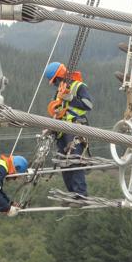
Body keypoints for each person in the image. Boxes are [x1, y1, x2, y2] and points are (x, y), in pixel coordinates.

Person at [44, 62, 93, 200]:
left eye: (56, 81)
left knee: (74, 160)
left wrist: (71, 98)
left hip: (75, 129)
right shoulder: (59, 92)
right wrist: (51, 127)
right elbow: (57, 111)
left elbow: (88, 105)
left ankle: (80, 194)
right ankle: (72, 193)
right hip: (61, 132)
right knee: (63, 162)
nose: (55, 84)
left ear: (61, 76)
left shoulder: (78, 86)